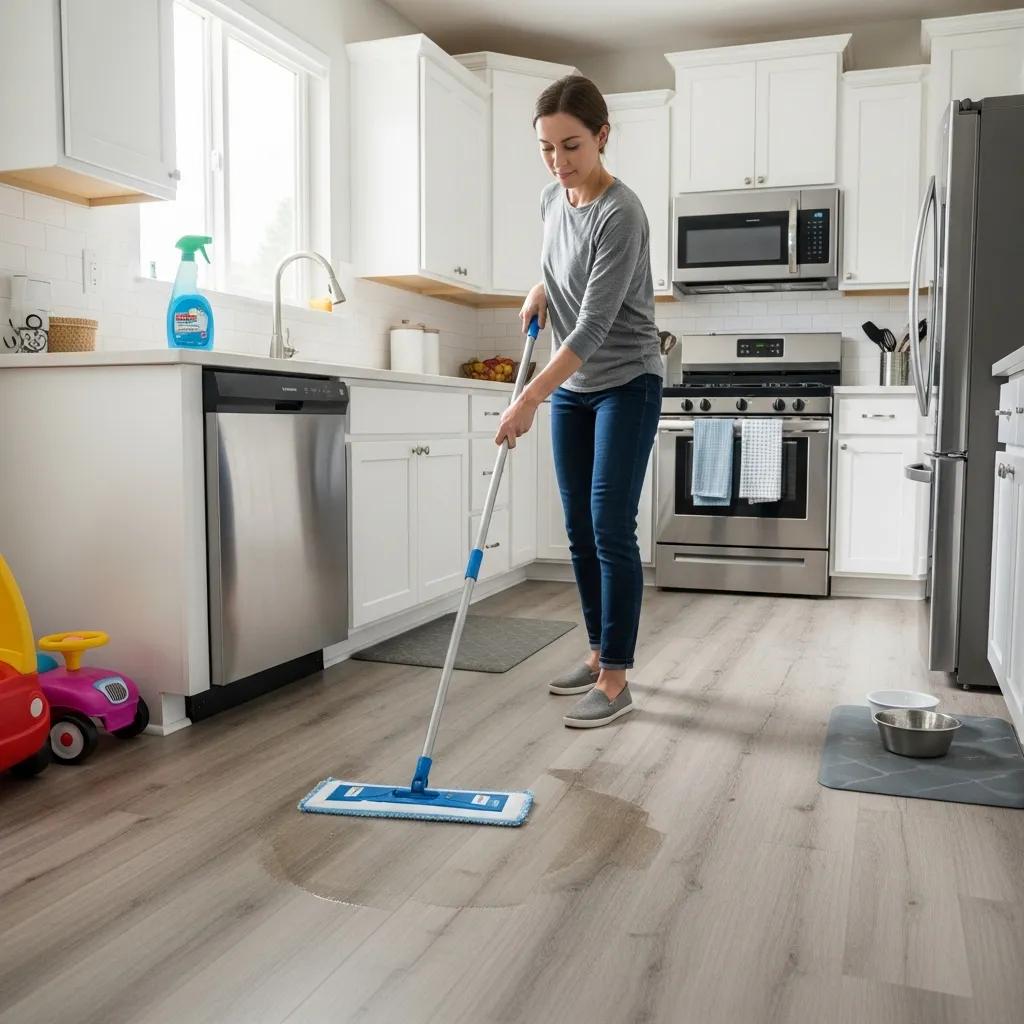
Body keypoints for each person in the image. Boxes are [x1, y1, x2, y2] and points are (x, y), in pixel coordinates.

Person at [494, 75, 664, 729]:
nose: (559, 162)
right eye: (546, 148)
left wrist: (530, 398)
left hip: (627, 382)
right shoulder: (551, 199)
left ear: (601, 136)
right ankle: (597, 655)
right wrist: (540, 286)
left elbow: (592, 329)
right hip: (576, 388)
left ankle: (618, 681)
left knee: (608, 526)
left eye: (571, 145)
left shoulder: (623, 212)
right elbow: (566, 264)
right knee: (578, 532)